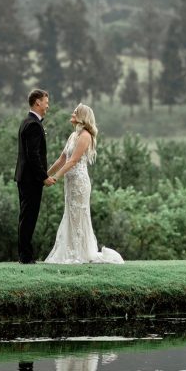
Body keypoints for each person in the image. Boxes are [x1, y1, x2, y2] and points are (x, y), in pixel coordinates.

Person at [44, 104, 124, 265]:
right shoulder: (73, 136)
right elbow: (62, 159)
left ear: (82, 117)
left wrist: (56, 178)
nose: (72, 113)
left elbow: (73, 160)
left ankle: (79, 253)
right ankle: (72, 250)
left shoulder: (85, 136)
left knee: (78, 216)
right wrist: (45, 175)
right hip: (70, 182)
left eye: (75, 112)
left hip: (79, 183)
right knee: (71, 215)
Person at [14, 88, 56, 265]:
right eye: (46, 102)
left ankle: (25, 254)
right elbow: (33, 155)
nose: (47, 105)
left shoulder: (27, 122)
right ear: (37, 102)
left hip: (24, 178)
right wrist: (43, 177)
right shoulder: (33, 125)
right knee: (29, 217)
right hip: (31, 180)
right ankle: (26, 256)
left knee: (26, 216)